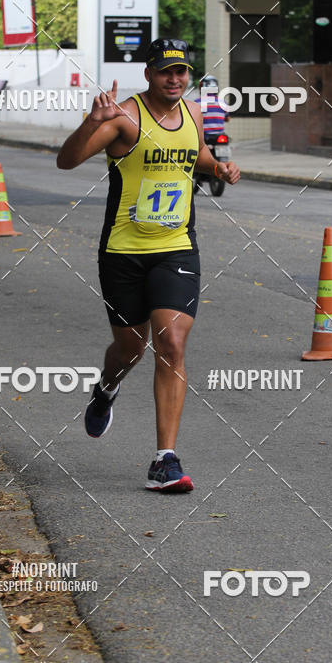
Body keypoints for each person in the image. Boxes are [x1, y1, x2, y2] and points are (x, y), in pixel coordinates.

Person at [56, 39, 240, 492]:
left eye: (181, 71)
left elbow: (194, 155)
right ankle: (107, 388)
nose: (174, 79)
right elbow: (66, 160)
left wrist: (218, 168)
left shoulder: (194, 114)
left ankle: (165, 459)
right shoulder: (124, 118)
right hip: (122, 253)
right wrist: (91, 122)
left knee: (172, 343)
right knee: (130, 350)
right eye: (165, 72)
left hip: (177, 247)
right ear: (149, 74)